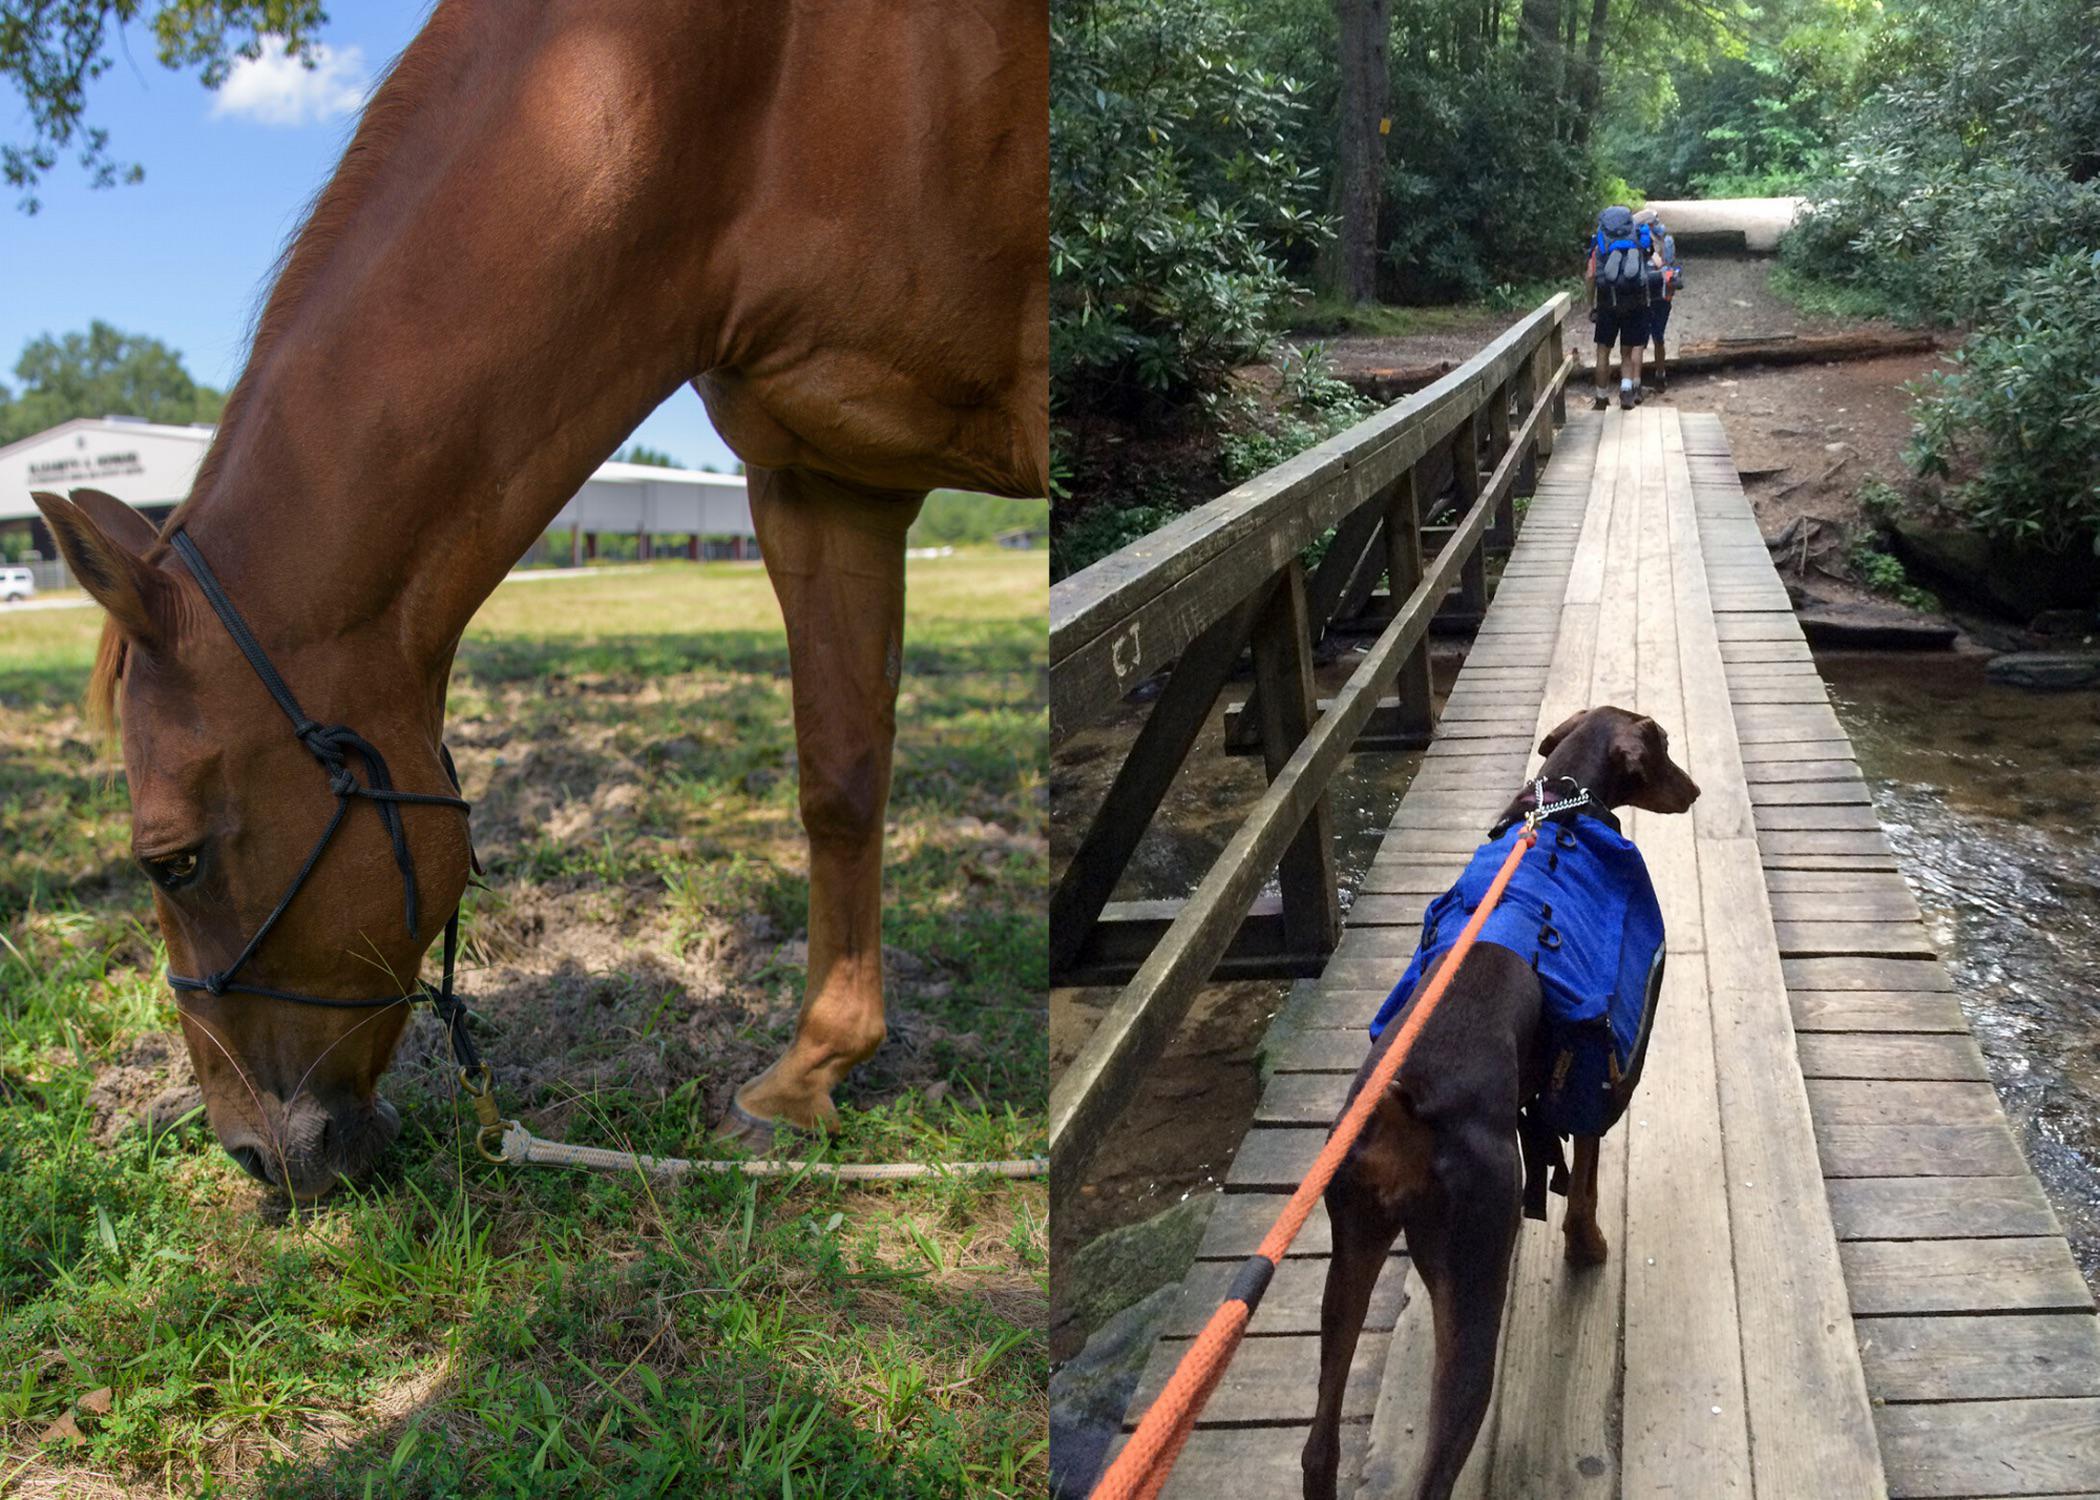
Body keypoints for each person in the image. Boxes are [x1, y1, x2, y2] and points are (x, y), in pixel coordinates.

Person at [1585, 205, 1657, 411]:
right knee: (1627, 352)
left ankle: (1601, 397)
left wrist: (1591, 305)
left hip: (1608, 302)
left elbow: (1590, 276)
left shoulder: (1600, 244)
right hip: (1635, 302)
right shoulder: (1637, 239)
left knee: (1602, 352)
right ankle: (1626, 393)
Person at [1634, 207, 1683, 392]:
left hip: (1642, 295)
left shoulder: (1636, 242)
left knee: (1639, 341)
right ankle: (1660, 376)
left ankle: (1636, 382)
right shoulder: (1667, 240)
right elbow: (1669, 266)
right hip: (1663, 295)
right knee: (1659, 337)